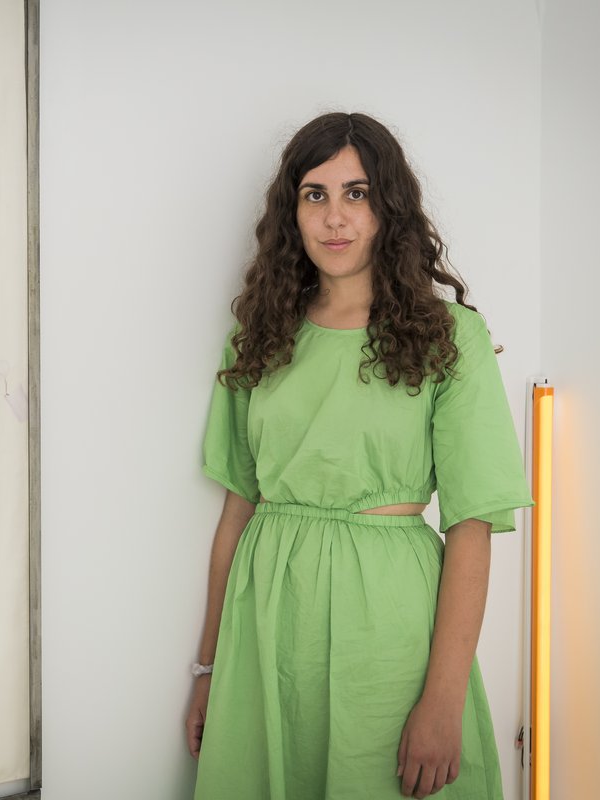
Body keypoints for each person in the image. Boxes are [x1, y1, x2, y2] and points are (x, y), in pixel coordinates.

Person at [185, 112, 533, 800]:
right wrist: (208, 669)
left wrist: (443, 702)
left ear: (388, 208)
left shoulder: (450, 336)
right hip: (267, 619)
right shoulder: (260, 333)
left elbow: (471, 526)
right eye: (314, 194)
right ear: (291, 211)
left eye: (358, 193)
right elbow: (237, 509)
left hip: (388, 621)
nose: (335, 217)